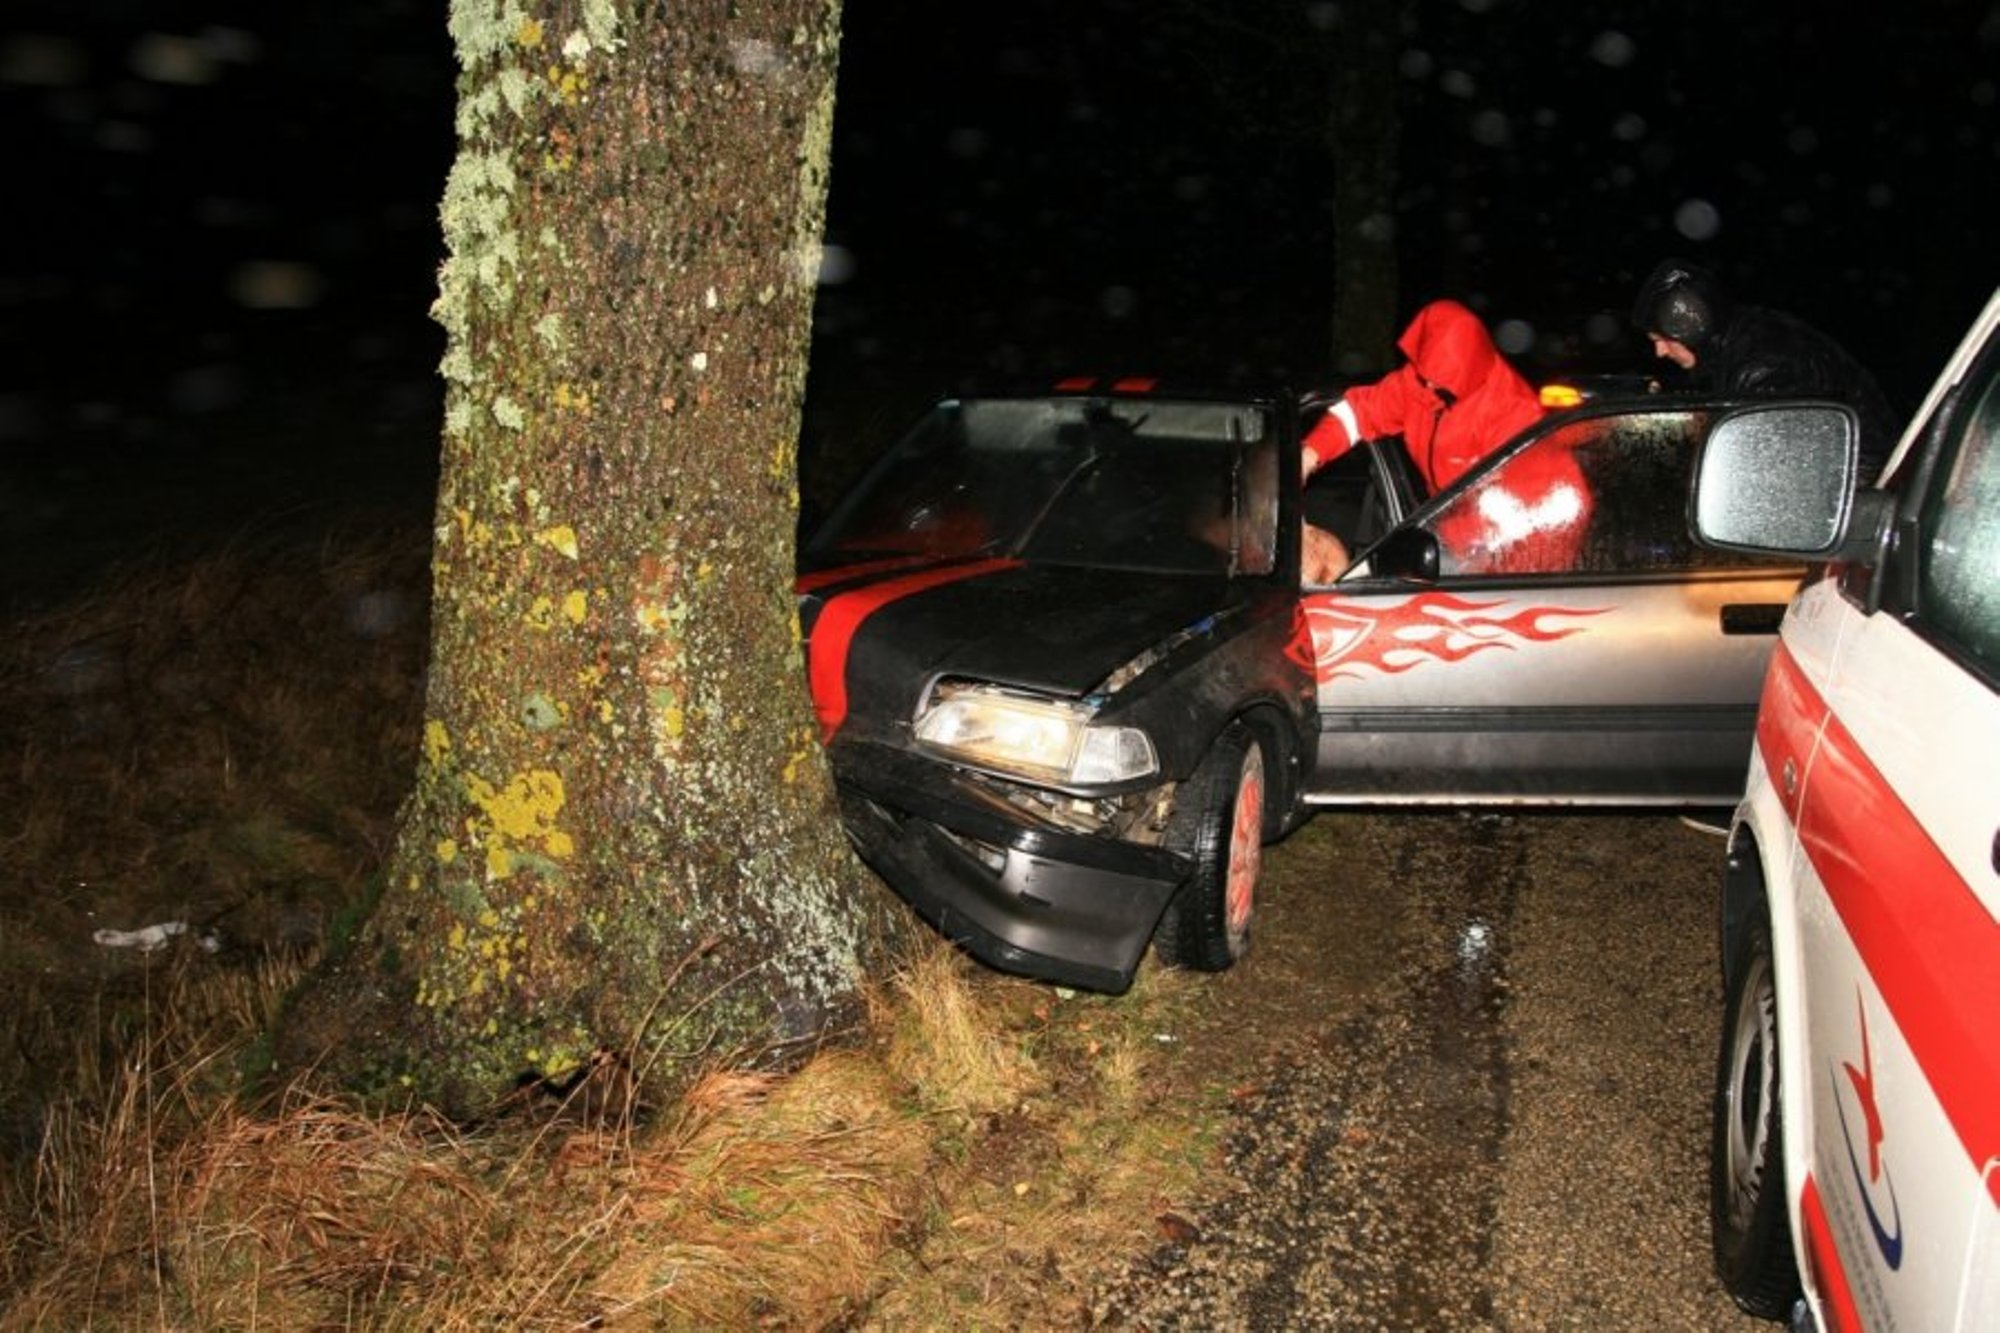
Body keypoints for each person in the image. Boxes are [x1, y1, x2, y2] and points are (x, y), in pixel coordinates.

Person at [1301, 298, 1590, 577]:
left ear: (1465, 373)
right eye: (1425, 371)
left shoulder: (1513, 415)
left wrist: (1445, 549)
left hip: (1513, 553)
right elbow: (1359, 411)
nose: (1426, 383)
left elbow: (1530, 521)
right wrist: (1311, 453)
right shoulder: (1420, 383)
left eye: (1438, 378)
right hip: (1449, 522)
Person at [1631, 258, 1901, 482]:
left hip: (1860, 495)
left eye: (1662, 340)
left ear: (1691, 328)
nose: (1660, 352)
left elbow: (1767, 473)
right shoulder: (1744, 342)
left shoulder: (1762, 367)